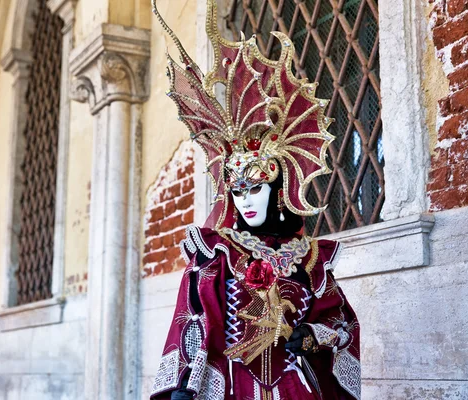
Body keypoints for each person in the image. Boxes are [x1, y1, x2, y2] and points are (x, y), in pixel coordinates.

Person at [150, 1, 360, 398]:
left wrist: (312, 335)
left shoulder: (310, 259)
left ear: (278, 190)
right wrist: (184, 386)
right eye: (239, 190)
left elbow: (342, 324)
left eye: (257, 188)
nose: (246, 200)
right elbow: (194, 323)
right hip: (233, 387)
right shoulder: (215, 253)